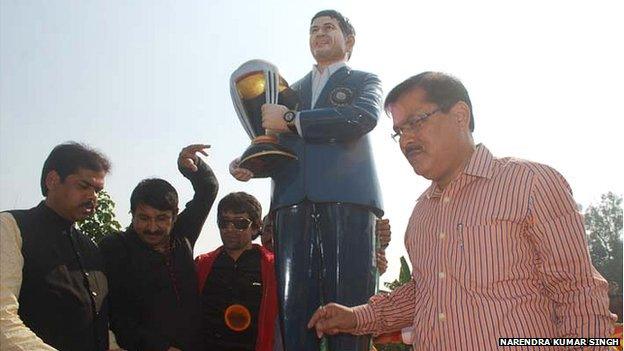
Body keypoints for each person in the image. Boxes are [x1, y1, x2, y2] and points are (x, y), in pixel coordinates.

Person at [307, 72, 617, 350]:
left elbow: (578, 292)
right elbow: (425, 292)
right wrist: (356, 316)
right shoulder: (421, 215)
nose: (406, 140)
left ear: (459, 115)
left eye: (416, 122)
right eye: (399, 132)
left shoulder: (530, 184)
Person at [230, 9, 383, 350]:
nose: (320, 33)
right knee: (294, 308)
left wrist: (292, 118)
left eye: (329, 27)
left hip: (348, 200)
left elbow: (363, 116)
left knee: (350, 310)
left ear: (350, 40)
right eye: (314, 29)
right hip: (290, 204)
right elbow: (277, 144)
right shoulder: (290, 90)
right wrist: (251, 163)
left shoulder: (363, 81)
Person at [99, 144, 218, 351]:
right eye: (144, 218)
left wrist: (191, 164)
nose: (152, 228)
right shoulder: (115, 248)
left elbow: (208, 188)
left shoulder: (182, 236)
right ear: (132, 213)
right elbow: (117, 316)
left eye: (162, 219)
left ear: (174, 216)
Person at [0, 142, 111, 350]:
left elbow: (97, 324)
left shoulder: (91, 248)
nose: (92, 197)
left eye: (97, 190)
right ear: (52, 180)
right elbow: (3, 322)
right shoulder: (11, 228)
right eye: (84, 186)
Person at [195, 192, 277, 351]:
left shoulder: (273, 267)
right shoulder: (202, 264)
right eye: (224, 222)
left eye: (240, 223)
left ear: (255, 227)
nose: (230, 229)